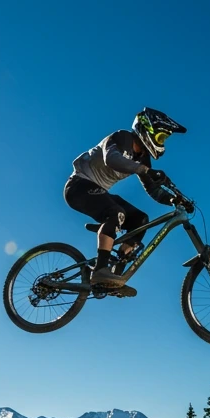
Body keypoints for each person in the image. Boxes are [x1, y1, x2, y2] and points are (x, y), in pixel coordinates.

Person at [64, 107, 186, 297]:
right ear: (148, 130)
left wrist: (173, 199)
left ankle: (115, 278)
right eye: (161, 138)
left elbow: (152, 190)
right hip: (79, 186)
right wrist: (145, 170)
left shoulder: (143, 158)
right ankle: (100, 269)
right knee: (116, 212)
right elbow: (111, 159)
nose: (162, 143)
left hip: (99, 192)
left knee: (140, 219)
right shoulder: (122, 137)